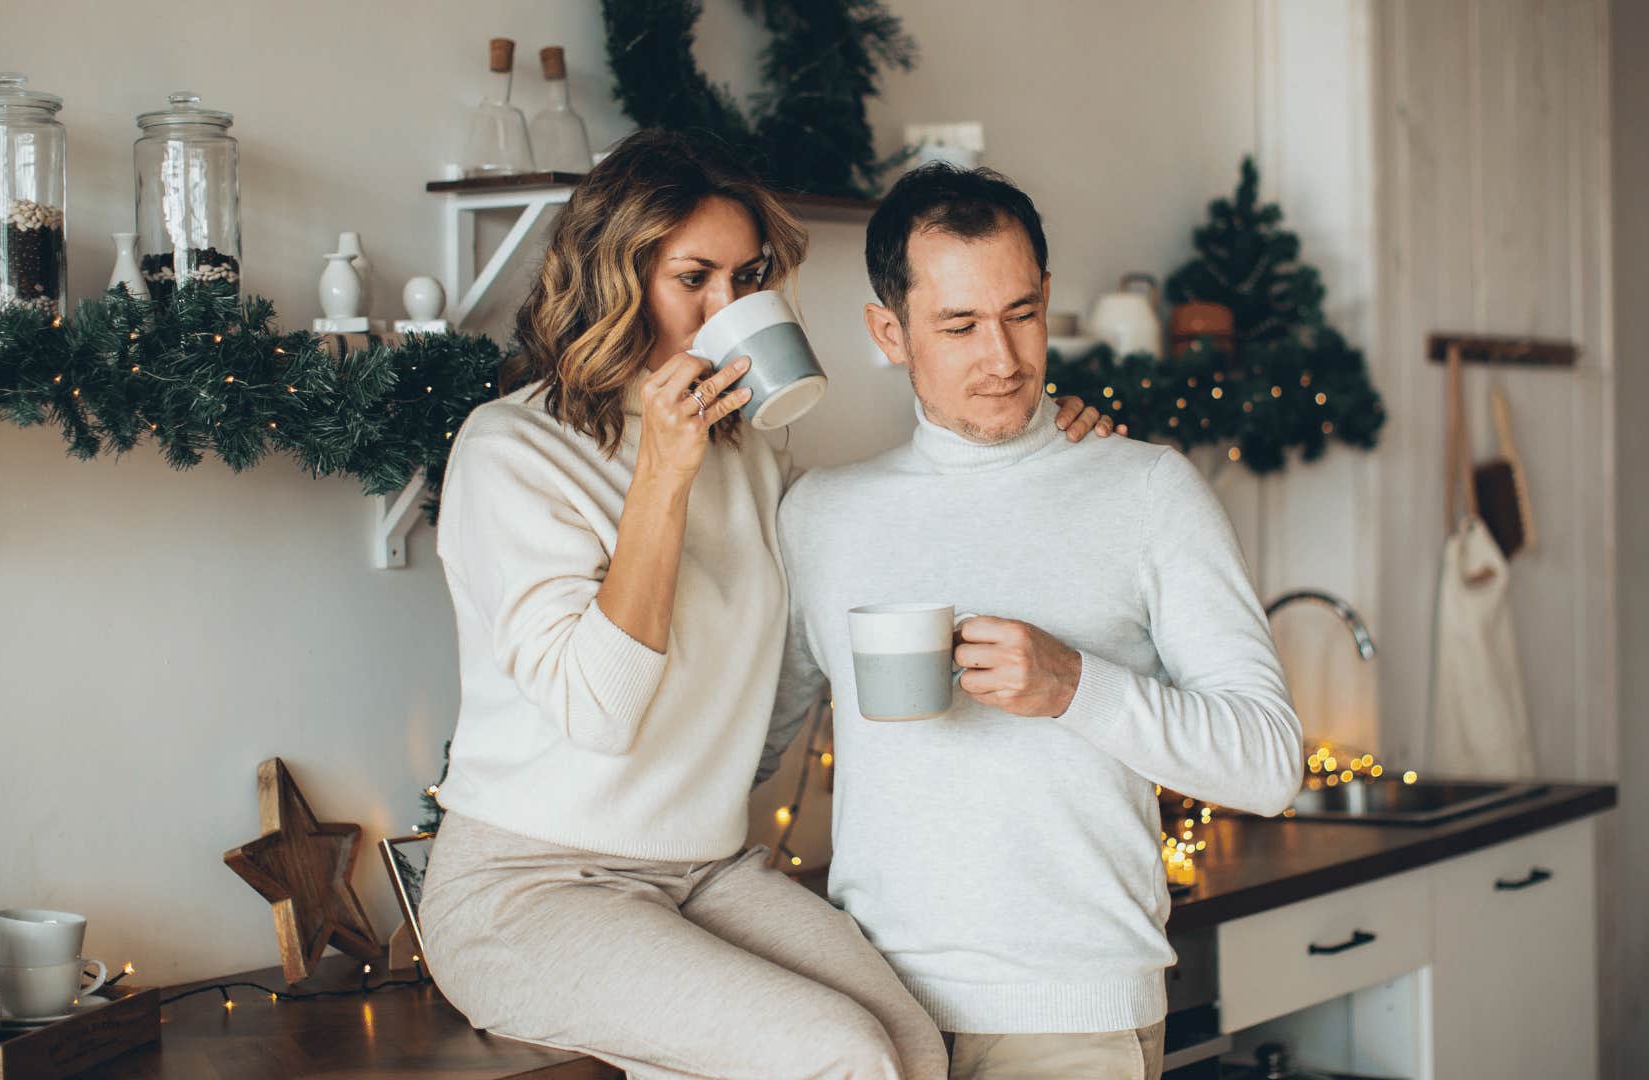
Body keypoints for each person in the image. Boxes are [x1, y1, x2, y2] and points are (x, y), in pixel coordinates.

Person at [417, 131, 1117, 1080]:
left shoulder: (752, 453)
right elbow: (600, 708)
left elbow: (864, 544)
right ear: (614, 279)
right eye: (692, 278)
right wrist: (662, 472)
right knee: (840, 1058)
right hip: (529, 885)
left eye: (747, 281)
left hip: (702, 869)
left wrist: (1042, 433)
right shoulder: (511, 448)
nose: (727, 311)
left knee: (909, 1046)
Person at [762, 164, 1305, 1080]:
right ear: (888, 333)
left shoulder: (1145, 489)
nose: (1004, 358)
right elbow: (743, 749)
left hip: (1073, 1015)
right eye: (960, 325)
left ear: (1048, 297)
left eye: (1020, 313)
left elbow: (1267, 765)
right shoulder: (820, 514)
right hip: (868, 1019)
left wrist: (1074, 687)